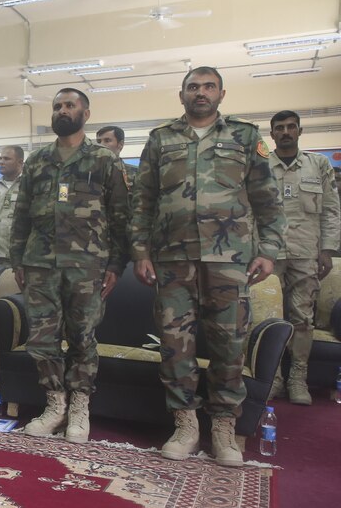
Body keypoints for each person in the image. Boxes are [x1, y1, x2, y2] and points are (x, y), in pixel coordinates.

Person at [131, 67, 286, 467]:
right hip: (171, 259)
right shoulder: (161, 138)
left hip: (229, 260)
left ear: (221, 93)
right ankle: (185, 424)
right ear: (181, 94)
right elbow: (143, 202)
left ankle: (223, 426)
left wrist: (268, 249)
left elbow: (267, 199)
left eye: (208, 87)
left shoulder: (246, 137)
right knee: (174, 343)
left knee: (229, 344)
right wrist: (140, 252)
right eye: (193, 87)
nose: (201, 93)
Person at [10, 88, 130, 444]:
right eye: (58, 106)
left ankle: (80, 406)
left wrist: (116, 264)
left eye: (70, 105)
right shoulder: (38, 160)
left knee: (82, 337)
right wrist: (17, 258)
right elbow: (21, 215)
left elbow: (122, 217)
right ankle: (55, 404)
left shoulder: (104, 160)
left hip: (87, 265)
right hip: (40, 263)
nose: (63, 110)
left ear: (86, 114)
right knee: (43, 339)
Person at [266, 110, 339, 405]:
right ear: (271, 134)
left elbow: (332, 209)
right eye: (279, 128)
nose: (285, 132)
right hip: (268, 253)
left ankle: (298, 378)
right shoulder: (260, 166)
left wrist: (328, 250)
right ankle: (272, 377)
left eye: (291, 127)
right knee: (269, 318)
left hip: (305, 253)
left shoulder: (318, 165)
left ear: (299, 131)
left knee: (302, 319)